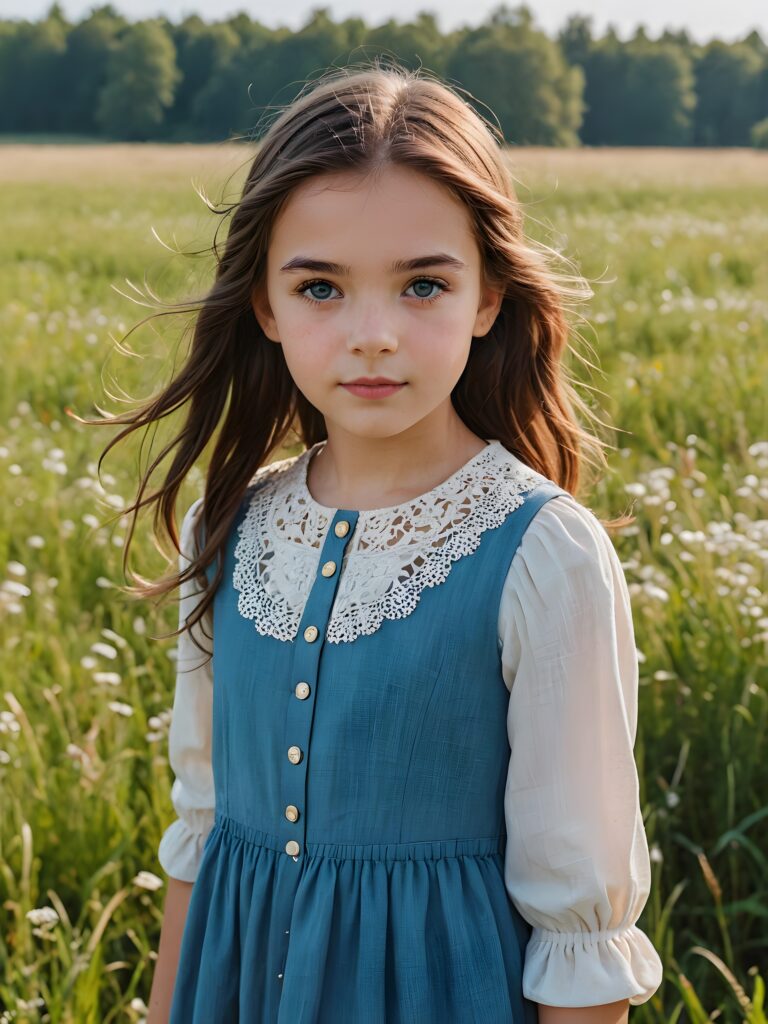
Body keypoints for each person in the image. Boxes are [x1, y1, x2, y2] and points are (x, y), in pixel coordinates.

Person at [88, 61, 664, 1022]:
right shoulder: (228, 527)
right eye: (320, 288)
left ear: (486, 298)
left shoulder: (542, 555)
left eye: (422, 285)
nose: (372, 335)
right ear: (265, 306)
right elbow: (199, 834)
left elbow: (582, 928)